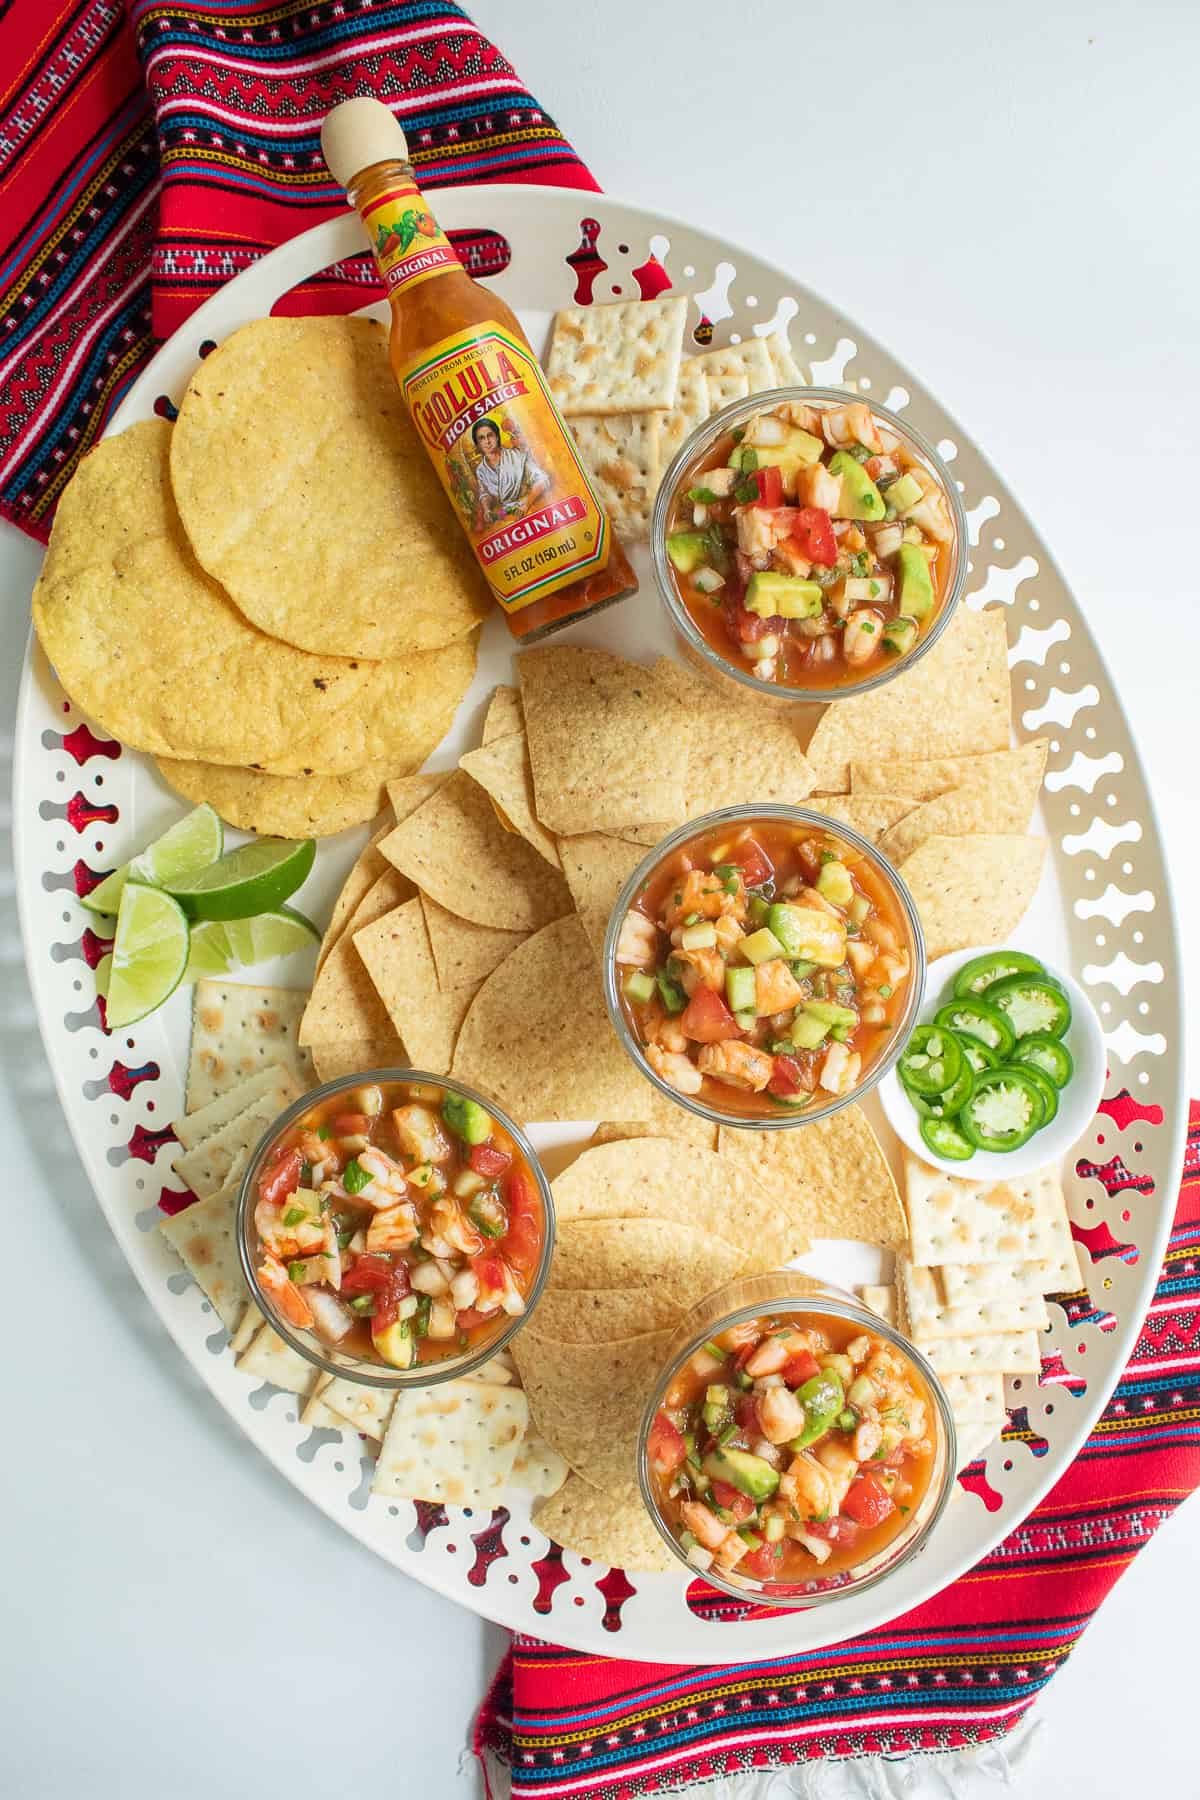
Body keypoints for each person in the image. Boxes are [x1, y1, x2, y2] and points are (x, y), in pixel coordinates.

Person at [470, 417, 550, 530]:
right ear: (477, 444)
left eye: (490, 435)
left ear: (497, 437)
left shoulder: (517, 455)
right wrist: (487, 510)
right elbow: (485, 493)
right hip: (506, 514)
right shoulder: (481, 470)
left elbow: (542, 480)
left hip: (532, 509)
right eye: (481, 438)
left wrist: (526, 504)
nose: (487, 441)